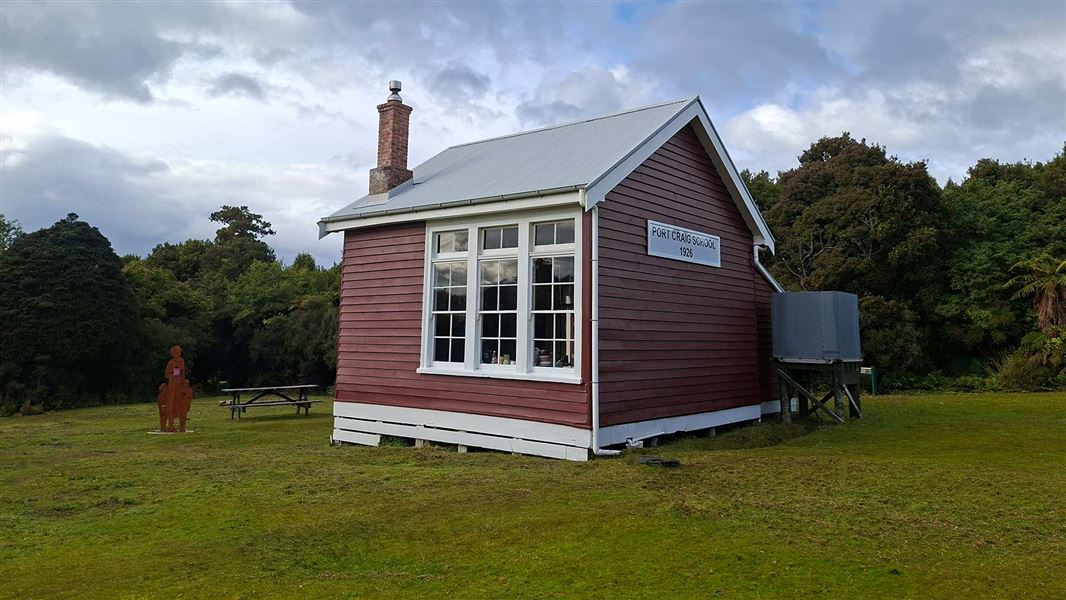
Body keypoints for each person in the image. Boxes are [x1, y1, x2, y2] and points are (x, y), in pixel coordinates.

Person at [164, 345, 186, 432]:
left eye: (179, 352)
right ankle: (170, 425)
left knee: (180, 405)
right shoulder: (170, 363)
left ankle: (182, 426)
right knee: (172, 405)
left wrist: (183, 384)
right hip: (172, 386)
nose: (178, 354)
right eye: (176, 353)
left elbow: (183, 373)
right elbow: (166, 374)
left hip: (179, 386)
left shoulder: (181, 361)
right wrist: (173, 373)